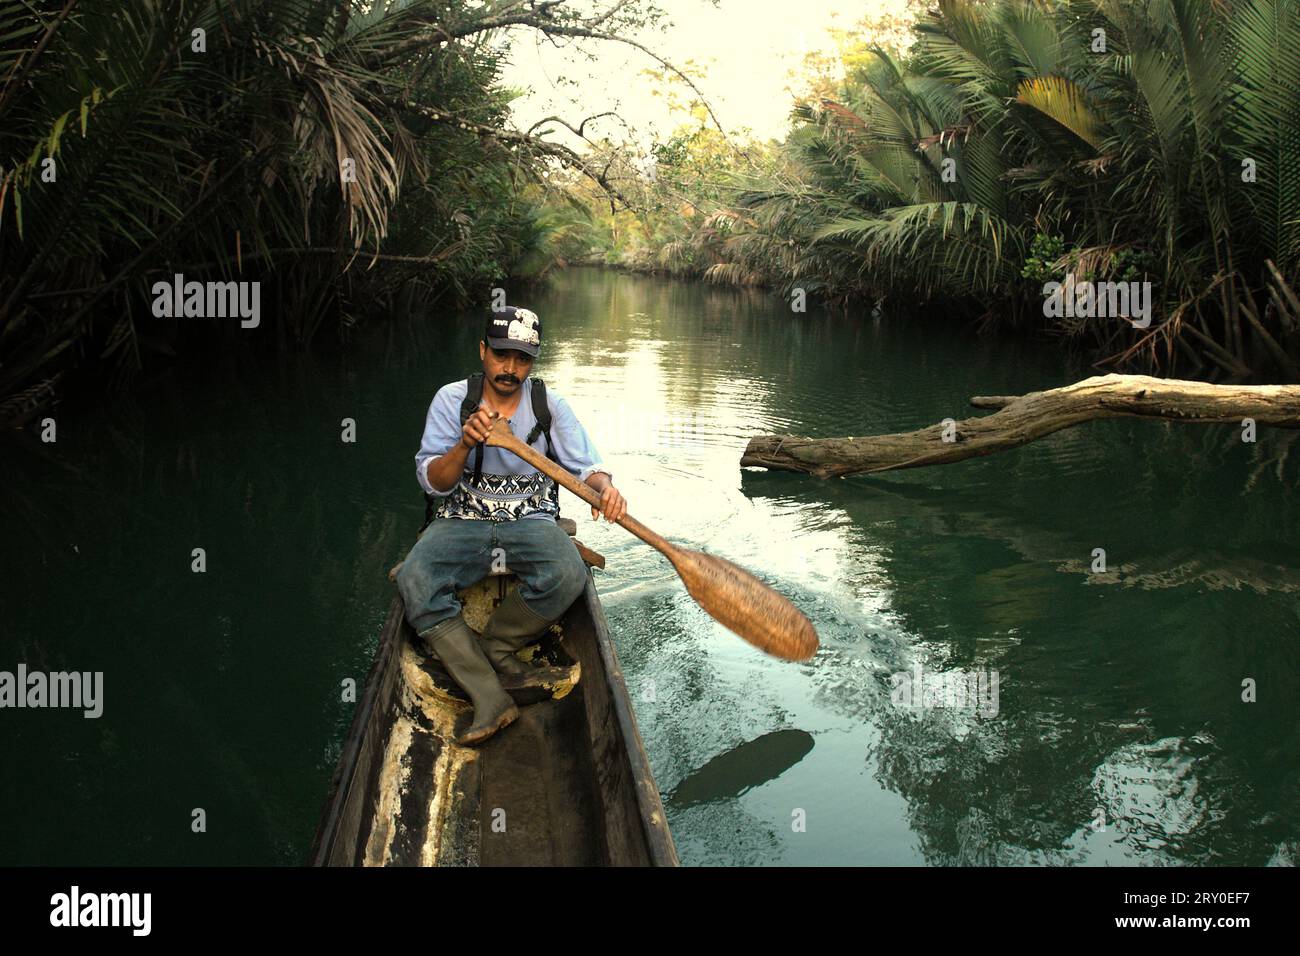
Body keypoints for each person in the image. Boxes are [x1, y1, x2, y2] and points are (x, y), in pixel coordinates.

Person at [395, 305, 627, 747]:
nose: (510, 368)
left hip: (529, 519)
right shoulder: (452, 400)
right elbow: (436, 483)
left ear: (532, 362)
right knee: (415, 580)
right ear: (483, 351)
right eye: (501, 355)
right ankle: (490, 694)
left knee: (568, 573)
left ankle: (495, 645)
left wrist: (606, 488)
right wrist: (464, 443)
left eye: (521, 359)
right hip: (462, 518)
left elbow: (588, 468)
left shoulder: (547, 405)